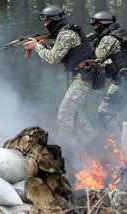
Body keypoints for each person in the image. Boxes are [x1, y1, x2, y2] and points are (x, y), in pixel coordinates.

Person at [23, 5, 104, 136]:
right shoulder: (64, 33)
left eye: (47, 21)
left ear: (55, 20)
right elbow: (58, 54)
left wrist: (37, 47)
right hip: (84, 74)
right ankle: (93, 141)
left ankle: (68, 149)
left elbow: (54, 59)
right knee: (74, 112)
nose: (45, 24)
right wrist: (43, 47)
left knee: (65, 112)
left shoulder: (66, 34)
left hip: (85, 75)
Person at [89, 11, 127, 128]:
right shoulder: (123, 33)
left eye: (97, 25)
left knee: (105, 113)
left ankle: (118, 142)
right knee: (118, 113)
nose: (95, 28)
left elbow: (95, 59)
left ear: (104, 24)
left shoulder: (108, 39)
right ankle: (123, 139)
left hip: (123, 82)